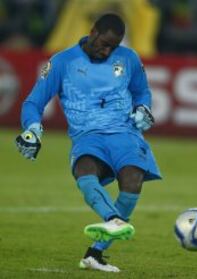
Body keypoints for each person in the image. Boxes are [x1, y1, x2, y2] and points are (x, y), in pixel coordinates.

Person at [15, 13, 161, 273]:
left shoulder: (129, 59)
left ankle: (95, 254)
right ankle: (113, 219)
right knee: (84, 170)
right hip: (87, 136)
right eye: (104, 43)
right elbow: (33, 102)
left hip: (124, 133)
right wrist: (33, 130)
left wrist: (143, 108)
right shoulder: (62, 62)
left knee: (132, 180)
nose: (107, 51)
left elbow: (142, 91)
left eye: (113, 47)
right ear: (92, 31)